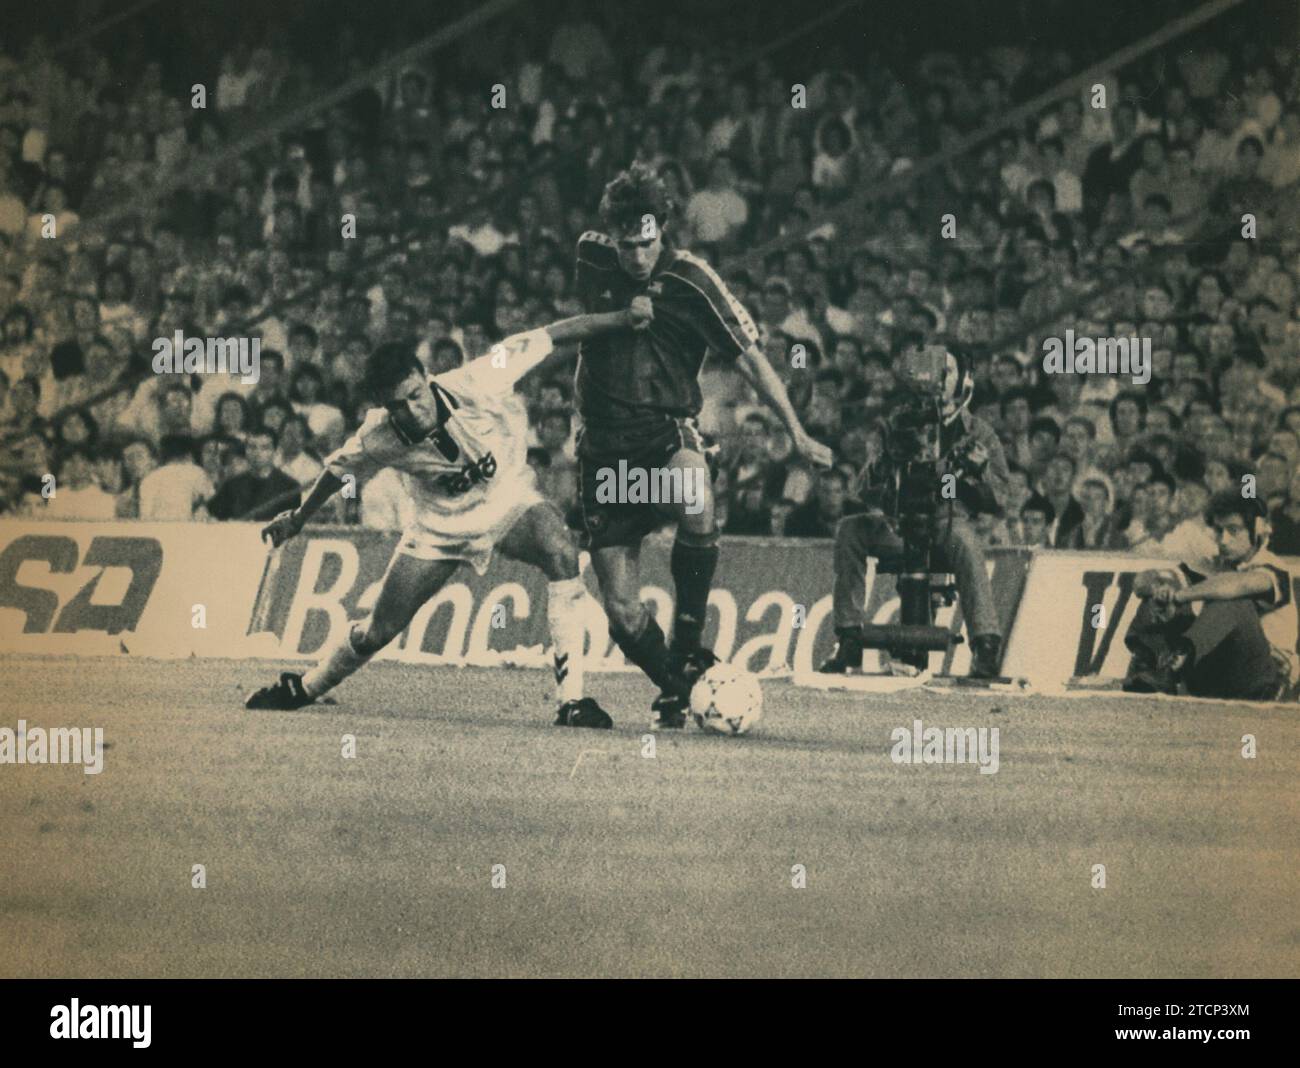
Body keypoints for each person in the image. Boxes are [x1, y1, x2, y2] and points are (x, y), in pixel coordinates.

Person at [245, 305, 649, 729]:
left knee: (561, 551)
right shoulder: (379, 436)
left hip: (505, 502)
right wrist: (299, 517)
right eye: (398, 406)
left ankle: (572, 702)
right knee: (376, 632)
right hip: (437, 531)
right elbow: (338, 470)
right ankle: (305, 687)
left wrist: (626, 318)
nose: (413, 411)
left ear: (426, 378)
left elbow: (556, 333)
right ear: (384, 406)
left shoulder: (480, 378)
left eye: (416, 396)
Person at [572, 163, 831, 729]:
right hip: (603, 456)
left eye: (647, 243)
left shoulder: (694, 279)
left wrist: (796, 431)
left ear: (663, 228)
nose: (637, 257)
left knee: (694, 487)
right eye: (627, 245)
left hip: (663, 435)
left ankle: (688, 641)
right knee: (620, 610)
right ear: (610, 236)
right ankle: (679, 684)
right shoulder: (590, 256)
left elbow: (751, 355)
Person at [818, 341, 1008, 678]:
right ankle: (848, 636)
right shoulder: (897, 422)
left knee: (964, 538)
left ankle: (985, 644)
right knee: (850, 529)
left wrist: (976, 474)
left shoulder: (979, 431)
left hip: (947, 523)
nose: (939, 379)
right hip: (896, 524)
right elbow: (863, 491)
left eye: (947, 371)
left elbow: (1000, 500)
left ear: (963, 379)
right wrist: (886, 459)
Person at [1124, 492, 1297, 701]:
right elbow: (1141, 582)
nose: (1223, 540)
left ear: (1258, 529)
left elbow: (1234, 585)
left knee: (1234, 602)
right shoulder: (1212, 564)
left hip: (1263, 679)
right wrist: (1160, 590)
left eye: (1233, 530)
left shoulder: (1274, 569)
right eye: (1218, 530)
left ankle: (1173, 667)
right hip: (1217, 674)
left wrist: (1179, 596)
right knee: (1163, 589)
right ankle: (1148, 665)